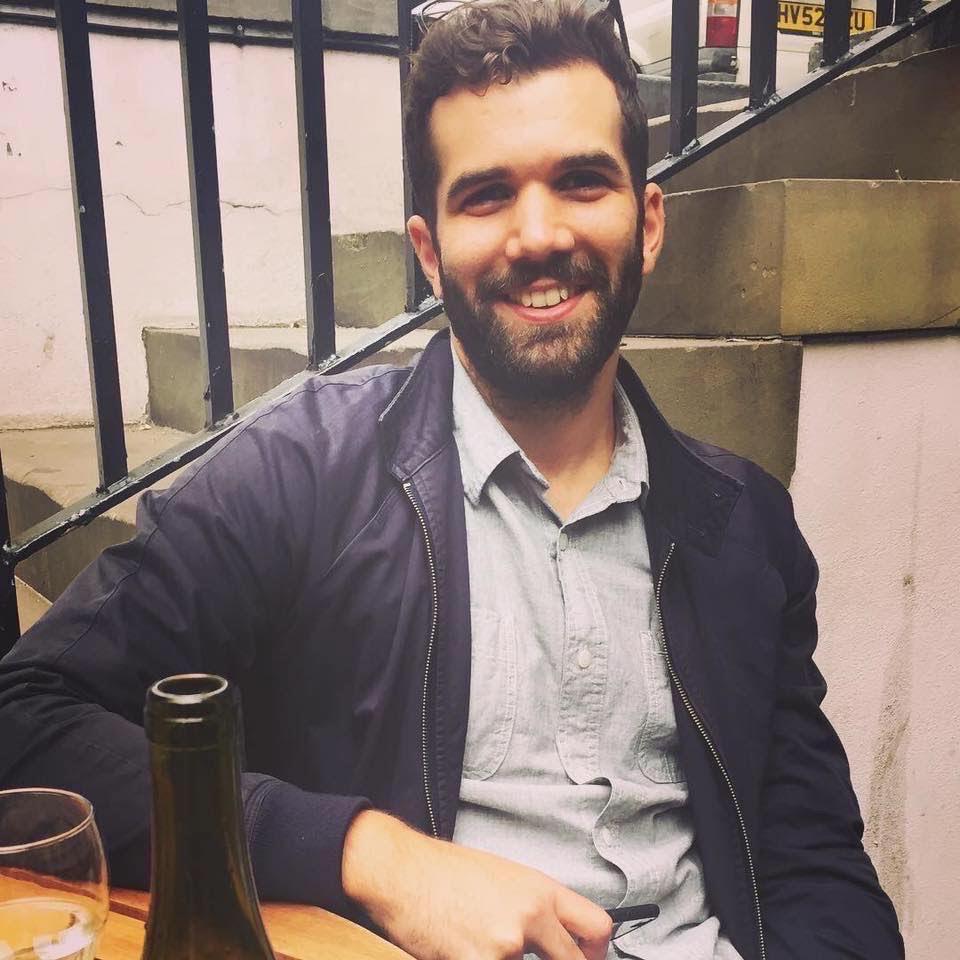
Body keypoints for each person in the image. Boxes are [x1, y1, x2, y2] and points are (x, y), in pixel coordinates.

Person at [0, 1, 902, 958]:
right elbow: (24, 721)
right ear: (429, 254)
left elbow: (814, 865)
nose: (537, 234)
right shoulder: (300, 477)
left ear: (647, 224)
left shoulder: (747, 525)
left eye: (581, 181)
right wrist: (372, 855)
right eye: (486, 196)